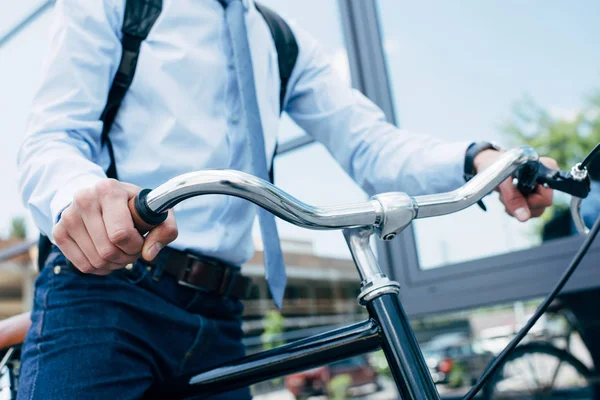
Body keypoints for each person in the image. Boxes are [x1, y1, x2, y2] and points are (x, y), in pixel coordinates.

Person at [16, 0, 556, 398]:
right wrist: (82, 195)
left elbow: (371, 143)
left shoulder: (278, 38)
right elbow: (52, 137)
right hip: (108, 292)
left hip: (219, 312)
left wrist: (481, 159)